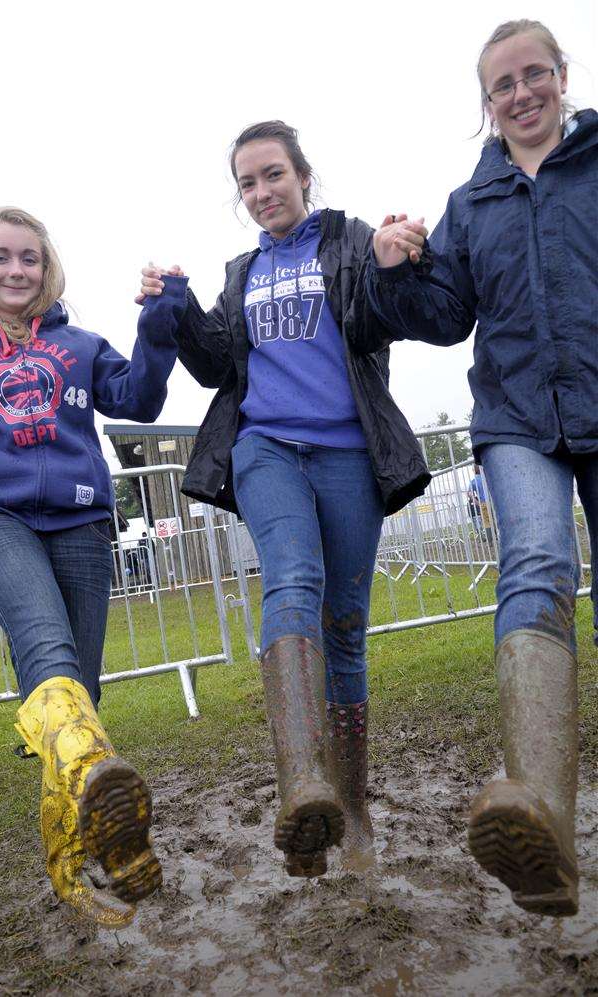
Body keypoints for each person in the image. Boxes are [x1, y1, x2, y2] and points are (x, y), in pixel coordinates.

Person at [141, 121, 430, 876]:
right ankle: (302, 783)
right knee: (292, 579)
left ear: (303, 175)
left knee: (345, 625)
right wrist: (175, 307)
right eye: (247, 182)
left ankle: (353, 801)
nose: (262, 192)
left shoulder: (348, 240)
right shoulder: (241, 271)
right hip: (264, 446)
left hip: (347, 451)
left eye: (273, 174)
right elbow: (214, 367)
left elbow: (375, 321)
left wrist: (395, 264)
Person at [368, 20, 597, 916]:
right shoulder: (474, 201)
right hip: (517, 419)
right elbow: (446, 314)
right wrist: (396, 269)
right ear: (487, 103)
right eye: (502, 85)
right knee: (536, 560)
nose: (521, 94)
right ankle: (539, 810)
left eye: (534, 74)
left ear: (561, 76)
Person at [0, 207, 187, 926]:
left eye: (30, 259)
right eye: (1, 259)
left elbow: (139, 396)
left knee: (80, 693)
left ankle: (80, 855)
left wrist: (160, 318)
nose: (17, 271)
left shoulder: (79, 345)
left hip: (78, 518)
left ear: (48, 268)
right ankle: (88, 843)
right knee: (47, 648)